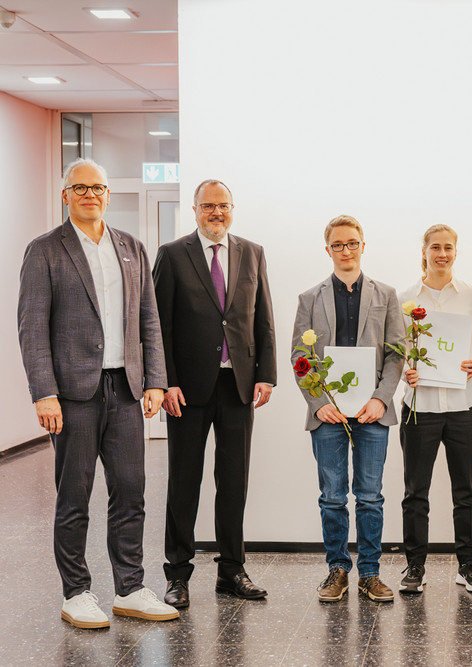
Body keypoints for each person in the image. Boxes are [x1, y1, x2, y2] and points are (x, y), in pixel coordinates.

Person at [17, 158, 178, 628]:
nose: (90, 194)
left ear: (108, 194)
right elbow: (32, 327)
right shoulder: (45, 250)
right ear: (65, 195)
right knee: (75, 496)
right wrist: (44, 392)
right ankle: (77, 592)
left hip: (125, 389)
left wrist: (155, 379)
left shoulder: (131, 247)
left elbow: (149, 318)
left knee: (131, 492)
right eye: (80, 187)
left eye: (98, 188)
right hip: (73, 394)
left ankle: (130, 588)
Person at [153, 179, 277, 607]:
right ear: (195, 210)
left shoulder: (252, 252)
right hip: (186, 390)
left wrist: (266, 374)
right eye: (208, 206)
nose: (216, 213)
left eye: (223, 205)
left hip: (238, 385)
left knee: (234, 482)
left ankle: (232, 570)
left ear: (232, 209)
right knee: (184, 482)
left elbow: (263, 317)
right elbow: (159, 325)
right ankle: (177, 574)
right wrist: (165, 381)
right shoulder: (172, 254)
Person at [292, 215, 405, 603]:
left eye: (352, 243)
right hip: (329, 414)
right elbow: (299, 357)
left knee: (371, 496)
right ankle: (338, 570)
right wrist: (319, 403)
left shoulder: (386, 294)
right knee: (332, 497)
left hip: (373, 411)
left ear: (362, 245)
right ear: (328, 250)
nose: (346, 250)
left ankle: (370, 573)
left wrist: (381, 398)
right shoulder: (310, 298)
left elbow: (396, 354)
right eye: (338, 244)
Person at [397, 224, 472, 594]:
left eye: (448, 247)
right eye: (435, 247)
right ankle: (415, 566)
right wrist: (406, 370)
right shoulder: (405, 298)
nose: (442, 254)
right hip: (419, 407)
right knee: (415, 492)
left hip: (463, 405)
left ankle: (468, 565)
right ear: (423, 252)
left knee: (466, 491)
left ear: (456, 251)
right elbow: (397, 348)